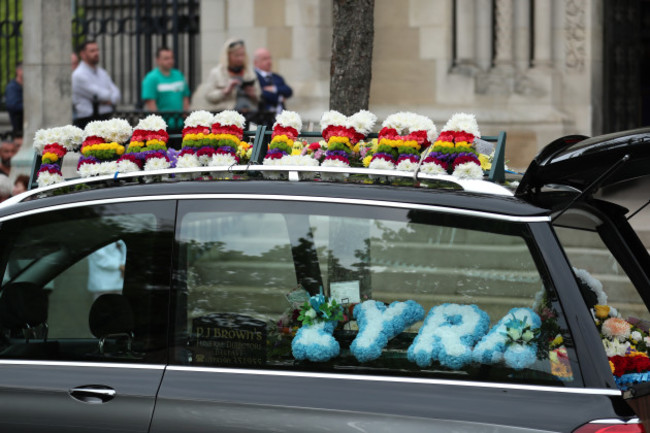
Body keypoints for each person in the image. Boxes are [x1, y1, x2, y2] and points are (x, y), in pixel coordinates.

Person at [191, 38, 260, 118]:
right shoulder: (217, 73)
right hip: (228, 118)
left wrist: (253, 94)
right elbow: (209, 96)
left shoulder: (249, 72)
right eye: (237, 55)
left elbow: (259, 96)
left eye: (242, 55)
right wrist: (225, 91)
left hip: (251, 116)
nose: (240, 59)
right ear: (228, 55)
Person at [72, 41, 121, 129]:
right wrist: (108, 97)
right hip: (87, 121)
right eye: (92, 51)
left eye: (97, 50)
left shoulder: (103, 72)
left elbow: (117, 94)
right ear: (83, 54)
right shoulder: (78, 74)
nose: (96, 53)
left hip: (106, 118)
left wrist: (109, 99)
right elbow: (101, 95)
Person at [141, 47, 191, 132]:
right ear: (158, 60)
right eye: (166, 58)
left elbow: (185, 97)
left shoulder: (179, 75)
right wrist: (159, 124)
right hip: (162, 126)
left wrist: (185, 117)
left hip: (180, 124)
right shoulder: (151, 78)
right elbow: (151, 104)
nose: (170, 61)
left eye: (171, 58)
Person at [253, 48, 293, 126]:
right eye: (265, 59)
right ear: (256, 62)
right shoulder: (253, 77)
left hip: (281, 121)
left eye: (269, 58)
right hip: (262, 121)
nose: (269, 61)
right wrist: (280, 97)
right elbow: (260, 93)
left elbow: (288, 91)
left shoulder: (277, 77)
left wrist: (274, 89)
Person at [4, 62, 23, 135]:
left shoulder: (24, 85)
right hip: (18, 126)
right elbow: (12, 106)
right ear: (18, 71)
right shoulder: (12, 87)